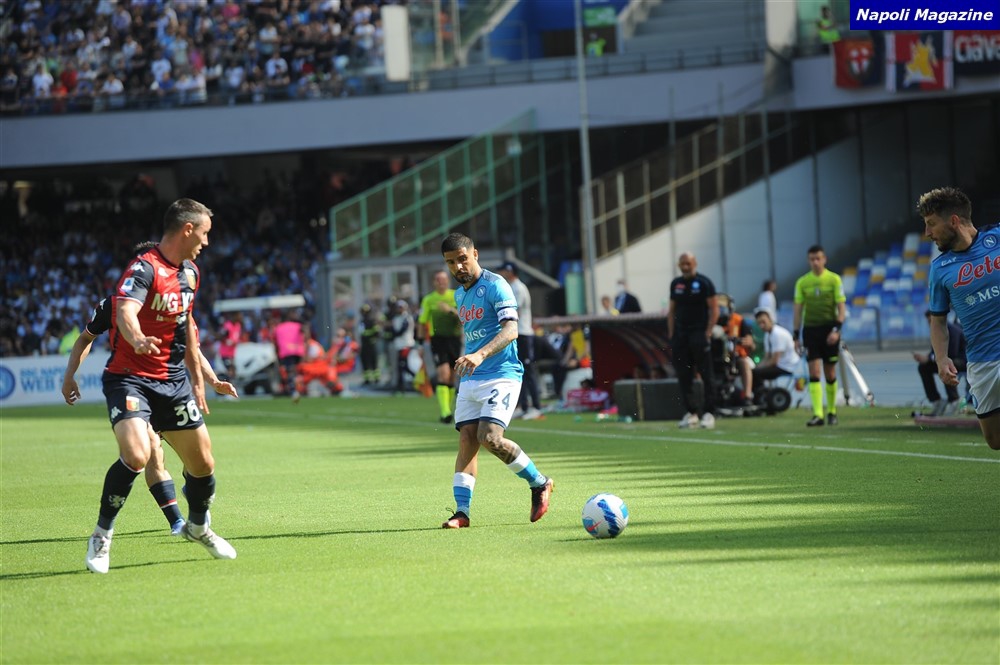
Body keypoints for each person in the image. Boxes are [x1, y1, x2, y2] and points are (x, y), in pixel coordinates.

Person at [85, 198, 237, 574]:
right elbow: (125, 311)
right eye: (204, 233)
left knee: (203, 463)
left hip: (173, 381)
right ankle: (102, 535)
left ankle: (198, 527)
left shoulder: (191, 274)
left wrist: (202, 380)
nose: (206, 242)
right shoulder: (144, 268)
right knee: (137, 455)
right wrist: (137, 338)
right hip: (130, 378)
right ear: (188, 229)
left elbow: (187, 331)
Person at [64, 288, 240, 536]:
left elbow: (192, 349)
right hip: (134, 389)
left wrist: (214, 381)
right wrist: (70, 375)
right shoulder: (113, 305)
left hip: (171, 390)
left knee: (196, 460)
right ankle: (176, 521)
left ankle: (191, 489)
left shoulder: (175, 306)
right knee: (152, 454)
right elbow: (85, 338)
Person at [439, 233, 554, 529]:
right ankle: (462, 512)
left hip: (501, 374)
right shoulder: (460, 295)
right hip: (471, 378)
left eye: (462, 259)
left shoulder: (496, 285)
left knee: (489, 438)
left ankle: (539, 482)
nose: (458, 267)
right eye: (451, 262)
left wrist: (479, 354)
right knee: (466, 440)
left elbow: (511, 330)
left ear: (475, 254)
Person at [919, 187, 1000, 450]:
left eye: (931, 223)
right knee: (995, 440)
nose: (927, 232)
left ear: (954, 220)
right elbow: (938, 320)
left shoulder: (997, 237)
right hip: (982, 361)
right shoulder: (939, 269)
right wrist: (941, 359)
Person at [792, 244, 847, 427]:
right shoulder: (802, 282)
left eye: (818, 258)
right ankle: (818, 414)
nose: (815, 262)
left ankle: (832, 411)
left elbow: (841, 308)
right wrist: (795, 335)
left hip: (829, 330)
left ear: (824, 259)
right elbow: (798, 310)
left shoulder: (834, 280)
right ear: (809, 261)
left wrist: (836, 330)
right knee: (814, 372)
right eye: (812, 259)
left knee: (830, 372)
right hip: (811, 331)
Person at [668, 252, 719, 429]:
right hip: (681, 336)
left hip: (699, 333)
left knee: (706, 374)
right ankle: (691, 413)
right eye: (682, 263)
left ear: (694, 263)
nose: (685, 267)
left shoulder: (704, 283)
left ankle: (709, 413)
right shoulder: (676, 284)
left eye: (688, 263)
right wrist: (672, 335)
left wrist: (708, 332)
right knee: (684, 375)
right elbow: (671, 311)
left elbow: (714, 309)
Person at [497, 262, 543, 420]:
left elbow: (513, 312)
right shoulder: (511, 287)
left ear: (510, 272)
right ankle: (523, 406)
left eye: (503, 271)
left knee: (528, 370)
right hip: (516, 334)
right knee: (518, 370)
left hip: (523, 333)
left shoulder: (518, 288)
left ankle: (536, 406)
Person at [417, 270, 462, 423]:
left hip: (454, 339)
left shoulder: (456, 296)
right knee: (443, 374)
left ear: (448, 281)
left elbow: (464, 318)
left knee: (452, 376)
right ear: (434, 282)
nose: (441, 282)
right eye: (438, 279)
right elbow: (422, 322)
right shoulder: (429, 299)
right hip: (438, 340)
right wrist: (420, 344)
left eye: (443, 279)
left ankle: (448, 409)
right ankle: (445, 412)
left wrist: (450, 311)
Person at [914, 310, 967, 416]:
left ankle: (954, 400)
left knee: (947, 365)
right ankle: (936, 400)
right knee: (923, 367)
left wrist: (929, 358)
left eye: (931, 321)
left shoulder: (952, 330)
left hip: (963, 361)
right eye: (928, 321)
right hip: (947, 360)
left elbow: (951, 353)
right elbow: (935, 352)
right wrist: (926, 358)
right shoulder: (936, 331)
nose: (930, 324)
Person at [750, 307, 801, 394]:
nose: (761, 326)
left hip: (788, 366)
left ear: (770, 320)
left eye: (763, 322)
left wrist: (759, 368)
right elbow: (766, 357)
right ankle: (761, 393)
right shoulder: (768, 335)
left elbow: (774, 361)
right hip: (781, 365)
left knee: (756, 373)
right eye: (759, 324)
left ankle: (761, 395)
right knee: (754, 371)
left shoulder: (777, 334)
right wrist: (757, 367)